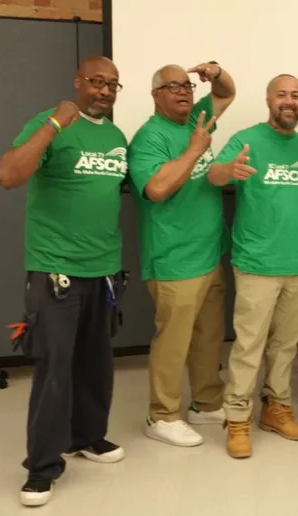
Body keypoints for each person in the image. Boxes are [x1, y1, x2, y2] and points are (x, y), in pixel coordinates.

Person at [0, 57, 128, 507]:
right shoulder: (48, 122)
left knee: (96, 362)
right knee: (55, 369)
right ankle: (42, 466)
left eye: (113, 85)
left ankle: (88, 436)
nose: (105, 91)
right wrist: (54, 123)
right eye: (97, 82)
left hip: (104, 268)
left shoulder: (115, 136)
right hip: (56, 269)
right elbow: (9, 175)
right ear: (78, 82)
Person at [207, 74, 298, 459]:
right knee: (249, 346)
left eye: (296, 95)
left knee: (286, 346)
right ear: (268, 100)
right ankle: (238, 419)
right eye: (282, 95)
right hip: (257, 263)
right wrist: (229, 171)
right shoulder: (248, 140)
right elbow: (212, 174)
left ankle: (276, 409)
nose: (290, 101)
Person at [127, 61, 236, 448]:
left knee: (209, 336)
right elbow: (156, 189)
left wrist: (216, 72)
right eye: (172, 86)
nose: (183, 92)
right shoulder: (149, 138)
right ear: (156, 94)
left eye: (187, 85)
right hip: (174, 259)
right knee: (173, 341)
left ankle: (205, 404)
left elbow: (226, 93)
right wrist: (194, 150)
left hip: (209, 252)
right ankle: (162, 415)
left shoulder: (197, 120)